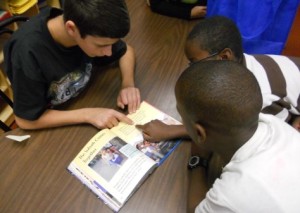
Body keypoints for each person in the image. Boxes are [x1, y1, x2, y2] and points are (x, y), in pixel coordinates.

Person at [136, 16, 300, 143]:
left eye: (195, 63)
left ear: (224, 57)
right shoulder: (241, 66)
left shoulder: (260, 93)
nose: (192, 70)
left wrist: (172, 131)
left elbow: (250, 132)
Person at [176, 60, 300, 212]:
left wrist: (197, 160)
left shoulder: (232, 193)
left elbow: (194, 210)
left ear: (199, 133)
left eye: (180, 115)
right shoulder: (275, 124)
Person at [4, 0, 140, 130]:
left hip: (81, 99)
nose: (109, 53)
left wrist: (127, 84)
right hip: (54, 120)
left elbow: (126, 51)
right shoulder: (27, 52)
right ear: (71, 28)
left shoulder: (88, 24)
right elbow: (24, 121)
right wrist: (88, 115)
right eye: (102, 45)